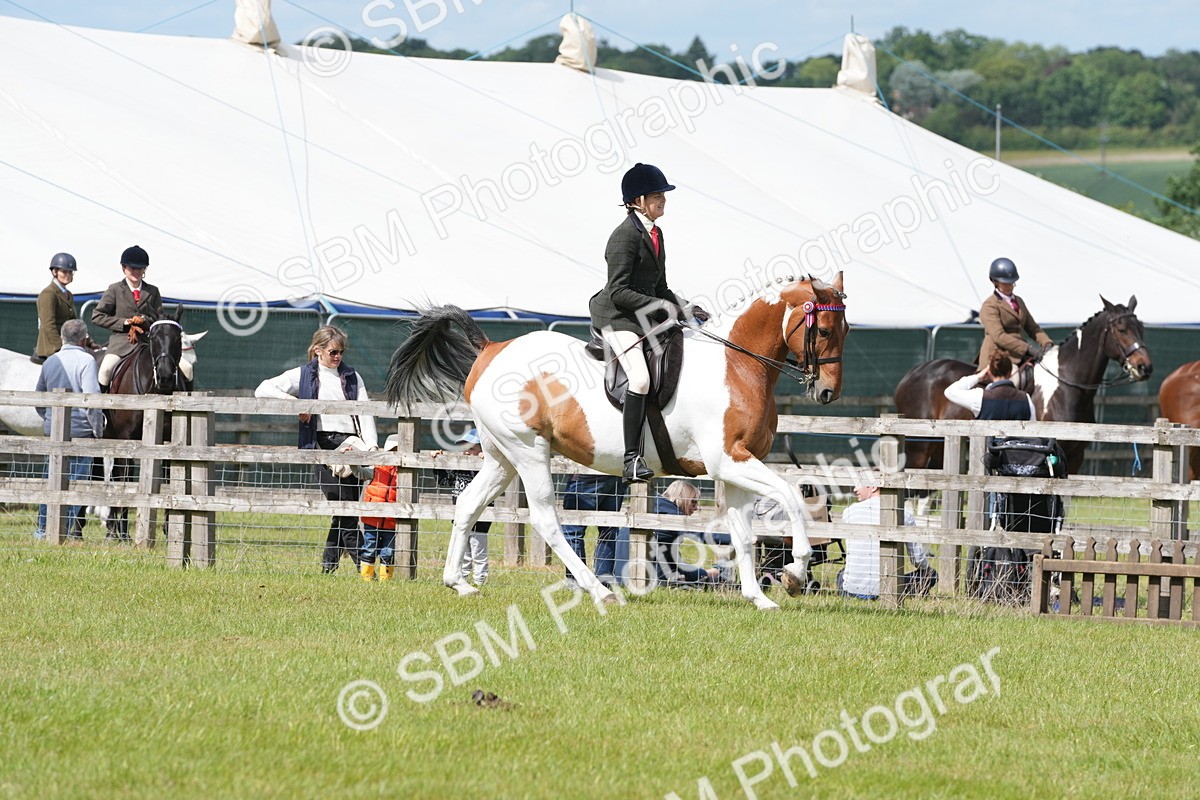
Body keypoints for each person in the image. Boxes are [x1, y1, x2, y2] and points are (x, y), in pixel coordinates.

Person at [588, 163, 708, 483]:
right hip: (617, 317)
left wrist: (685, 307)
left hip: (641, 314)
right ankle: (631, 459)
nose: (663, 200)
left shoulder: (656, 233)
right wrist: (661, 306)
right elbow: (618, 291)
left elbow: (660, 286)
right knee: (640, 379)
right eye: (657, 195)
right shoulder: (624, 236)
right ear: (638, 200)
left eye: (663, 195)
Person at [255, 325, 378, 573]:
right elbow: (263, 389)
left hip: (353, 446)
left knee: (344, 512)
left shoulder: (353, 376)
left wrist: (372, 448)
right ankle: (365, 569)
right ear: (318, 350)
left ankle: (328, 569)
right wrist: (295, 402)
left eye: (341, 352)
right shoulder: (302, 375)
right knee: (345, 510)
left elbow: (365, 413)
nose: (338, 356)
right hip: (322, 446)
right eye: (333, 352)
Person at [34, 320, 104, 540]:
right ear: (84, 340)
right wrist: (98, 430)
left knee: (51, 481)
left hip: (53, 431)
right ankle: (63, 530)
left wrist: (49, 419)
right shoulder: (87, 360)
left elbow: (39, 397)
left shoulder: (50, 361)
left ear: (63, 338)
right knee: (75, 484)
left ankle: (42, 530)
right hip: (80, 431)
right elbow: (91, 399)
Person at [92, 245, 192, 391]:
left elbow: (159, 319)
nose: (136, 272)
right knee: (105, 370)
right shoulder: (115, 289)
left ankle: (189, 403)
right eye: (132, 268)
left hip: (148, 343)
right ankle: (101, 405)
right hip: (121, 343)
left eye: (140, 268)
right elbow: (97, 316)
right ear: (124, 268)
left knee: (187, 368)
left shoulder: (152, 291)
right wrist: (126, 322)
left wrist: (144, 320)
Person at [838, 483, 936, 600]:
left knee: (841, 574)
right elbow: (917, 559)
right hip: (890, 588)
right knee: (932, 575)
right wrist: (926, 569)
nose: (855, 489)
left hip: (851, 591)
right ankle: (905, 591)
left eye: (859, 484)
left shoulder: (849, 512)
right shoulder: (903, 514)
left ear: (874, 487)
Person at [976, 257, 1054, 375]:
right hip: (998, 359)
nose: (1009, 286)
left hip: (1019, 355)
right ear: (995, 282)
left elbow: (1033, 328)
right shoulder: (989, 306)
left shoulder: (1019, 301)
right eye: (1005, 283)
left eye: (1011, 282)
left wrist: (1046, 343)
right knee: (1015, 380)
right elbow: (999, 336)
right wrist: (1027, 348)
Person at [435, 428, 490, 586]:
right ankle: (462, 577)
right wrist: (438, 461)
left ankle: (480, 581)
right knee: (463, 550)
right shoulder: (458, 465)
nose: (467, 452)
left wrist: (486, 459)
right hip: (459, 515)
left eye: (472, 449)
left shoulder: (486, 468)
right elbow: (444, 481)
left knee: (478, 550)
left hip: (481, 517)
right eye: (465, 449)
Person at [651, 479, 726, 588]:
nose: (696, 507)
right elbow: (704, 535)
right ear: (681, 499)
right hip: (654, 578)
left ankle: (712, 574)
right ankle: (715, 575)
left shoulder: (655, 506)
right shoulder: (674, 516)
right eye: (693, 502)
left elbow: (673, 561)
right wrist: (736, 537)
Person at [561, 473, 628, 587]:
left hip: (586, 477)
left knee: (572, 532)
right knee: (609, 531)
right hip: (616, 475)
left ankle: (577, 582)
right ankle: (604, 582)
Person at [944, 351, 1036, 422]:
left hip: (988, 442)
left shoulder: (980, 397)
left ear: (990, 373)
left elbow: (949, 392)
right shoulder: (1026, 398)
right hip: (1017, 442)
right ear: (1010, 372)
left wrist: (978, 377)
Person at [360, 434, 400, 582]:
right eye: (392, 450)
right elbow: (359, 472)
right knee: (369, 547)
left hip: (392, 520)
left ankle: (385, 579)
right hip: (373, 518)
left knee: (388, 551)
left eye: (398, 451)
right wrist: (351, 461)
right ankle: (367, 577)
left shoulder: (405, 473)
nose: (395, 454)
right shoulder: (376, 468)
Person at [32, 253, 79, 365]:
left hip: (67, 345)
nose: (68, 275)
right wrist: (60, 346)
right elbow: (48, 325)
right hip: (51, 347)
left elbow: (74, 322)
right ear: (54, 272)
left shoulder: (68, 294)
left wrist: (88, 341)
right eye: (64, 272)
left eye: (70, 272)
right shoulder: (48, 294)